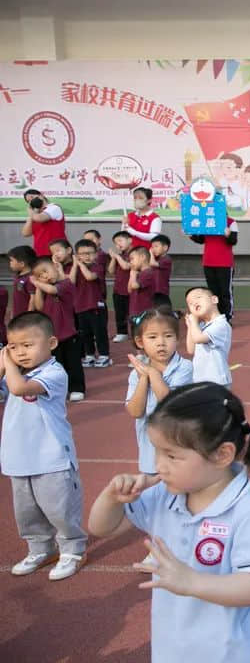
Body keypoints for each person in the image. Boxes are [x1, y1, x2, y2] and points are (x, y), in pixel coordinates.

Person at [87, 383, 250, 661]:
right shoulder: (163, 495)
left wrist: (192, 581)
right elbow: (103, 528)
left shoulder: (248, 513)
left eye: (171, 456)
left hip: (231, 653)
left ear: (222, 455)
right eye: (156, 451)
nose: (159, 465)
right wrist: (112, 498)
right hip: (175, 648)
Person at [2, 311, 88, 581]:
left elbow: (19, 389)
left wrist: (6, 360)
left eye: (28, 345)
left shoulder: (54, 372)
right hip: (19, 457)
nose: (20, 353)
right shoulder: (14, 372)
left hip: (51, 458)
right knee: (27, 511)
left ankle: (73, 548)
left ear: (51, 343)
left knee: (59, 508)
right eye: (13, 347)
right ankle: (41, 548)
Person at [126, 308, 193, 476]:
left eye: (168, 336)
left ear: (177, 339)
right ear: (140, 342)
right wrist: (143, 378)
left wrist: (153, 374)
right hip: (150, 457)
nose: (161, 342)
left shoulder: (184, 368)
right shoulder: (137, 374)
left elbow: (168, 401)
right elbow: (135, 411)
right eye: (152, 337)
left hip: (179, 455)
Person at [29, 256, 85, 402]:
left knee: (73, 364)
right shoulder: (44, 289)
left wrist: (36, 282)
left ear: (55, 267)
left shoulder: (65, 284)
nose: (44, 276)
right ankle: (59, 389)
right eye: (40, 275)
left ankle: (77, 388)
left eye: (45, 271)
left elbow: (53, 290)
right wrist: (38, 287)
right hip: (52, 336)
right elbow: (39, 306)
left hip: (68, 334)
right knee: (56, 365)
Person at [189, 216, 239, 321]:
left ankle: (227, 316)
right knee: (213, 291)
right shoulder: (206, 220)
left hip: (224, 263)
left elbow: (233, 241)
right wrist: (191, 235)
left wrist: (228, 235)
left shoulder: (230, 222)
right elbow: (201, 239)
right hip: (208, 262)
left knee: (225, 291)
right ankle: (216, 315)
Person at [71, 239, 110, 368]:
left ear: (96, 254)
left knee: (99, 332)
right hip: (80, 306)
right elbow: (70, 281)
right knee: (85, 333)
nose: (87, 256)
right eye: (82, 254)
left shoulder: (97, 267)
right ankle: (90, 355)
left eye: (90, 253)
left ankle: (104, 355)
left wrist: (80, 264)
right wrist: (75, 265)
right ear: (77, 255)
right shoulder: (75, 269)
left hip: (95, 305)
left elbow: (89, 277)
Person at [185, 287, 232, 388]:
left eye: (198, 297)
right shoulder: (199, 327)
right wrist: (190, 326)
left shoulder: (221, 324)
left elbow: (198, 339)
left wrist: (193, 322)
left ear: (214, 300)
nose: (194, 303)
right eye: (190, 303)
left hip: (216, 380)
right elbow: (191, 349)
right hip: (199, 379)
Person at [20, 190, 66, 257]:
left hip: (56, 251)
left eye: (32, 197)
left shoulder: (54, 207)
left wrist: (30, 210)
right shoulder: (34, 214)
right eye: (28, 201)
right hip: (40, 252)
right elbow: (25, 233)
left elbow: (39, 218)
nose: (31, 201)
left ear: (41, 196)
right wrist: (33, 212)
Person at [107, 231, 133, 342]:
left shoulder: (135, 254)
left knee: (132, 312)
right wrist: (113, 258)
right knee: (120, 313)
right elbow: (111, 271)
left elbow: (126, 266)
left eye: (120, 241)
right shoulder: (119, 256)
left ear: (130, 240)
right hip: (118, 289)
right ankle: (122, 332)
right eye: (116, 243)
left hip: (131, 289)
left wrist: (116, 256)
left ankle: (136, 332)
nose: (118, 245)